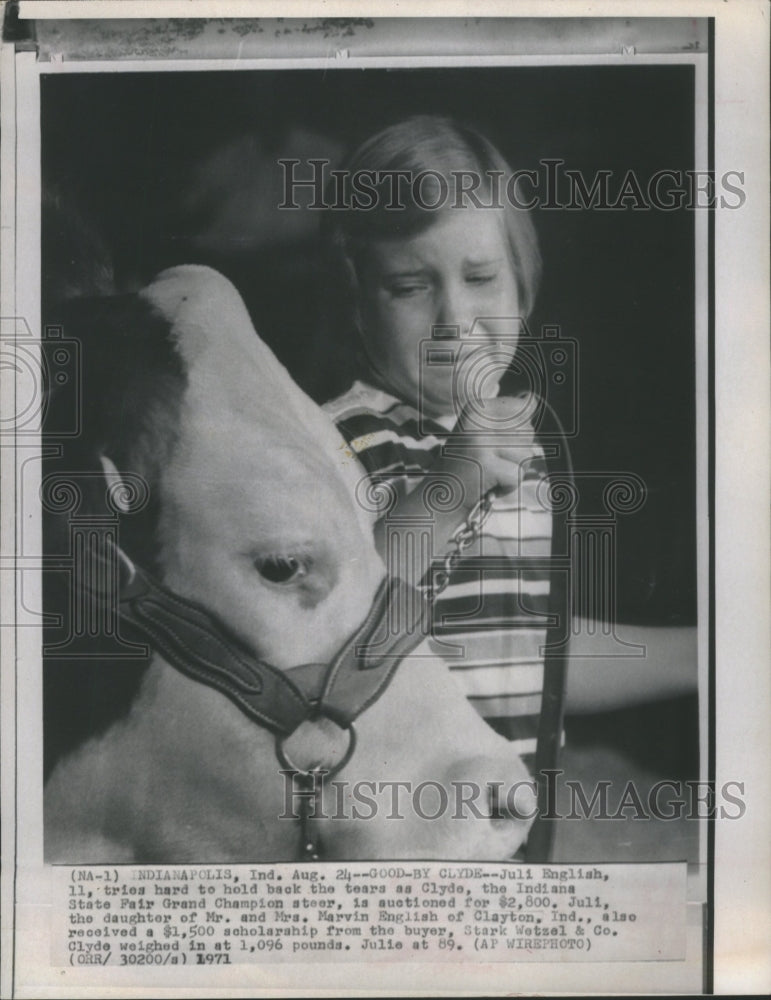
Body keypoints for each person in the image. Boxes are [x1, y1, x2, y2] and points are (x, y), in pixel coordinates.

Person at [321, 116, 695, 765]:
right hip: (394, 825)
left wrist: (709, 653)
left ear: (523, 292)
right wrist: (445, 492)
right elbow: (333, 628)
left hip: (513, 820)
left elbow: (525, 651)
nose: (454, 319)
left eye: (480, 278)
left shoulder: (521, 447)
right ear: (356, 302)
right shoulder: (335, 436)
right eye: (409, 287)